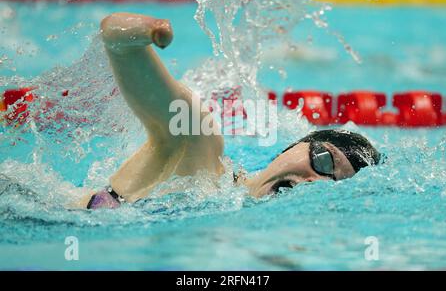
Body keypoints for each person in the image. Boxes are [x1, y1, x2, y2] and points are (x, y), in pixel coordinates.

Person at [78, 12, 380, 209]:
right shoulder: (199, 148)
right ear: (295, 146)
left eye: (334, 187)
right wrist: (144, 32)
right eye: (325, 161)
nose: (318, 182)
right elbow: (116, 38)